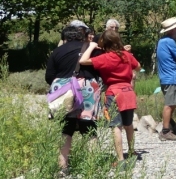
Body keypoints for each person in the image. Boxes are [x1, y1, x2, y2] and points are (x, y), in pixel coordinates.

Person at [45, 24, 104, 171]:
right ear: (82, 36)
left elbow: (49, 76)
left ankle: (62, 167)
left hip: (65, 92)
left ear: (64, 38)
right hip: (88, 89)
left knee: (66, 127)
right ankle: (92, 167)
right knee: (89, 127)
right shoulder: (92, 49)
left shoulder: (57, 52)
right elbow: (102, 69)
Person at [79, 29, 140, 166]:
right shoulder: (126, 55)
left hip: (114, 92)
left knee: (116, 127)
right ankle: (132, 151)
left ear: (104, 43)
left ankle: (120, 159)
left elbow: (83, 61)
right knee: (128, 124)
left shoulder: (105, 58)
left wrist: (91, 46)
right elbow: (138, 66)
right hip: (129, 92)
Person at [156, 17, 176, 141]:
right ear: (173, 30)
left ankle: (169, 123)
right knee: (170, 104)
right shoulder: (169, 42)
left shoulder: (162, 41)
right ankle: (166, 131)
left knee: (173, 102)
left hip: (166, 77)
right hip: (171, 77)